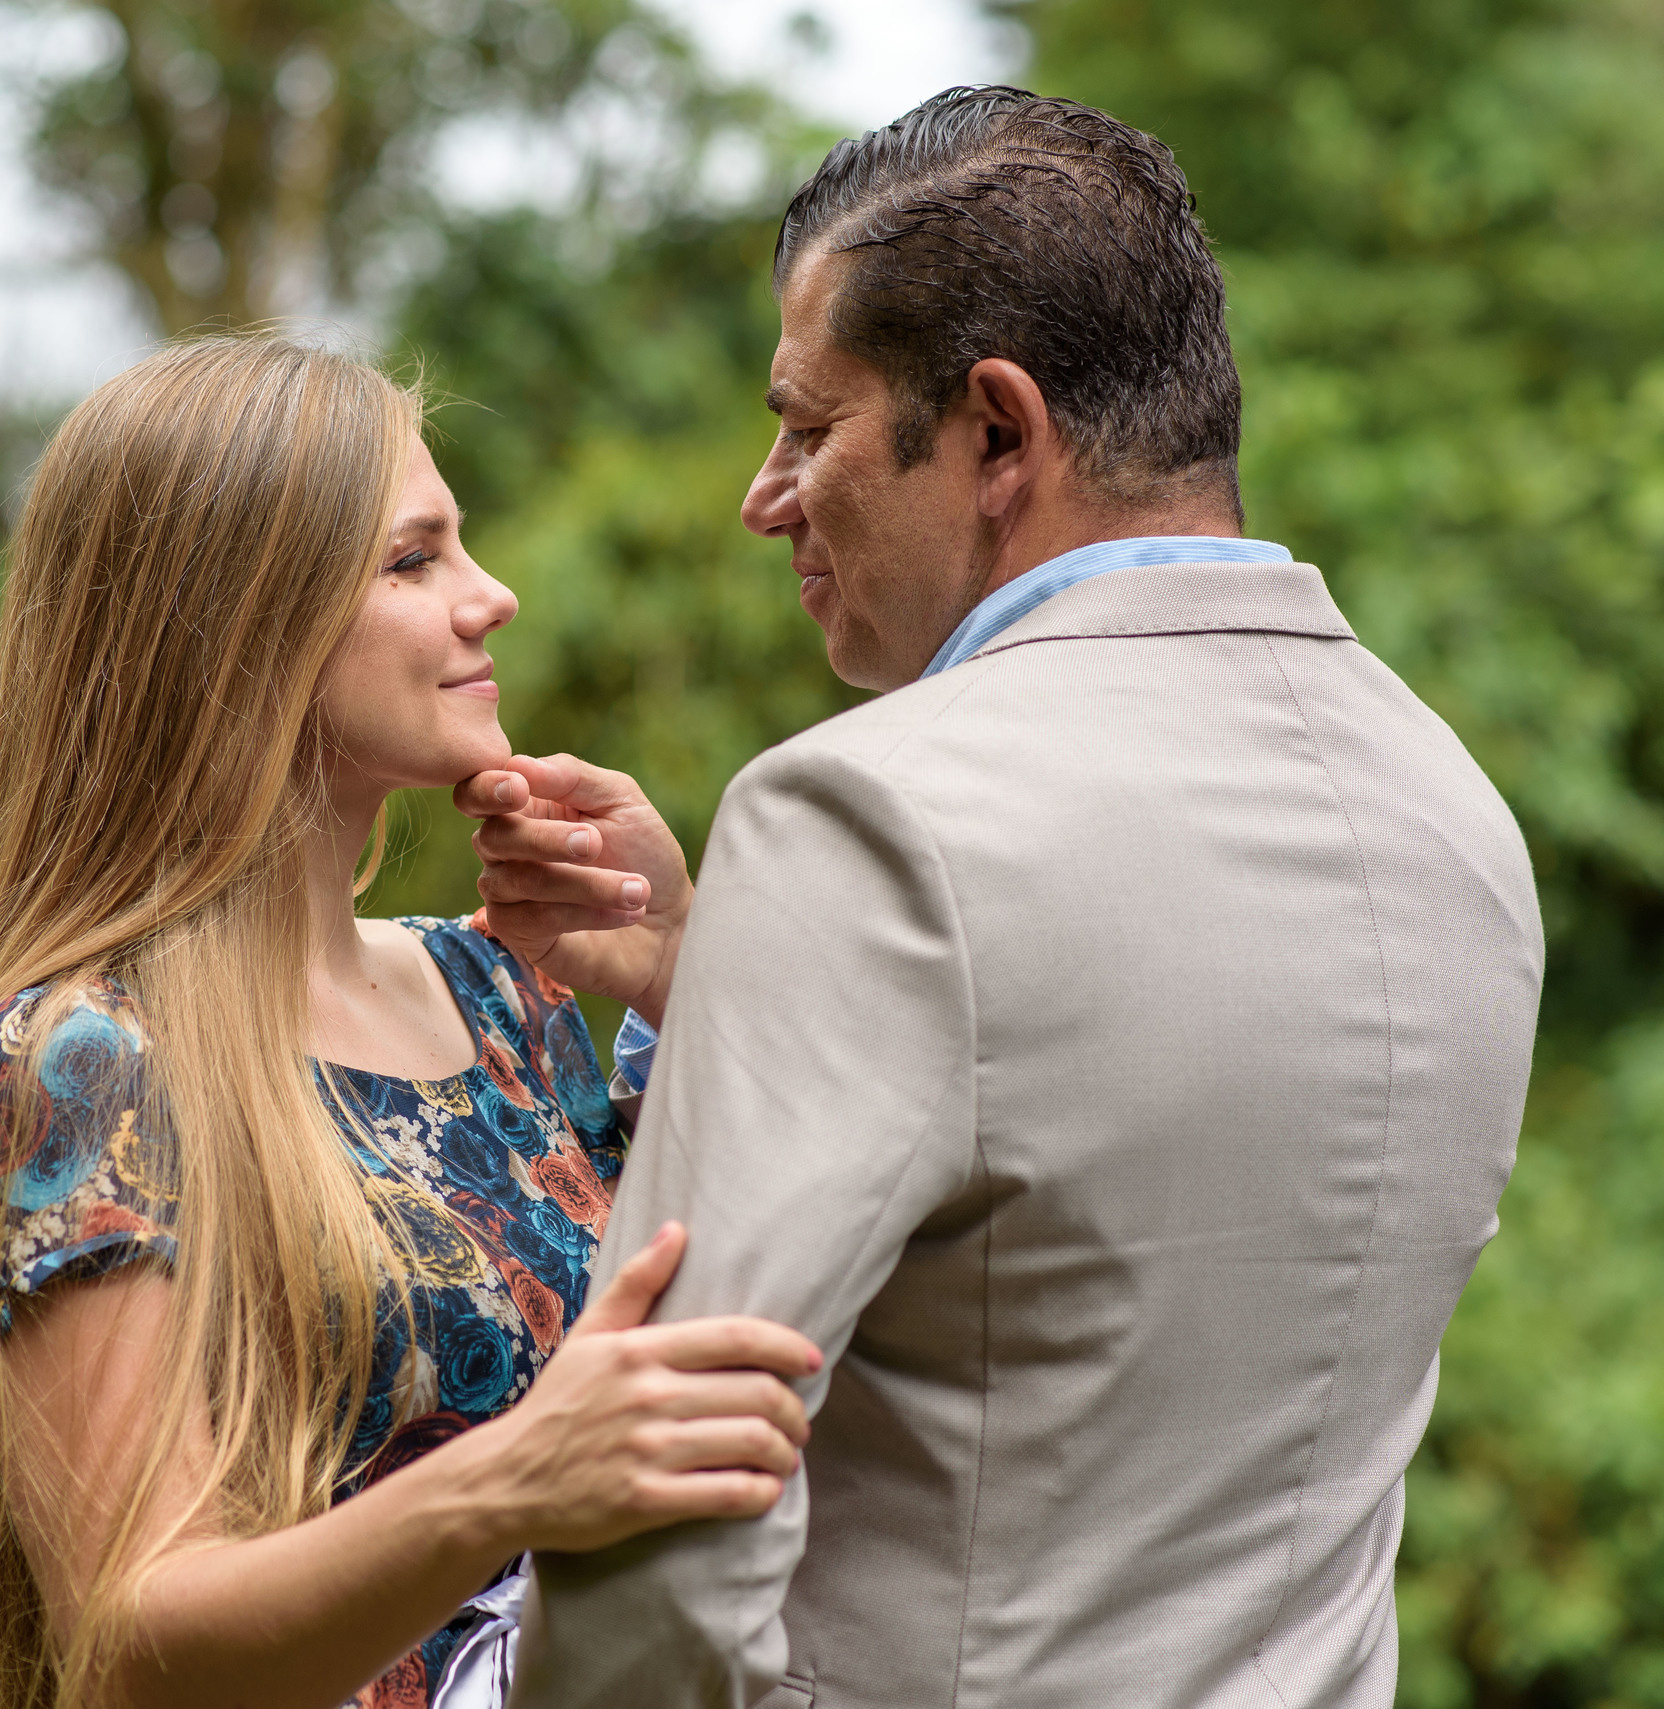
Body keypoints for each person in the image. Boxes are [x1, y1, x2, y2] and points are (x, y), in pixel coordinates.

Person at [459, 88, 1545, 1707]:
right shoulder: (1452, 809)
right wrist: (717, 974)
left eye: (808, 427)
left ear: (996, 434)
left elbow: (658, 1523)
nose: (767, 495)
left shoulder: (862, 814)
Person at [0, 335, 819, 1709]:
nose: (491, 596)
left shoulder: (500, 988)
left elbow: (805, 1303)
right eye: (413, 559)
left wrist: (679, 965)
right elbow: (131, 1642)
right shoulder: (87, 1059)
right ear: (236, 630)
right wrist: (517, 1475)